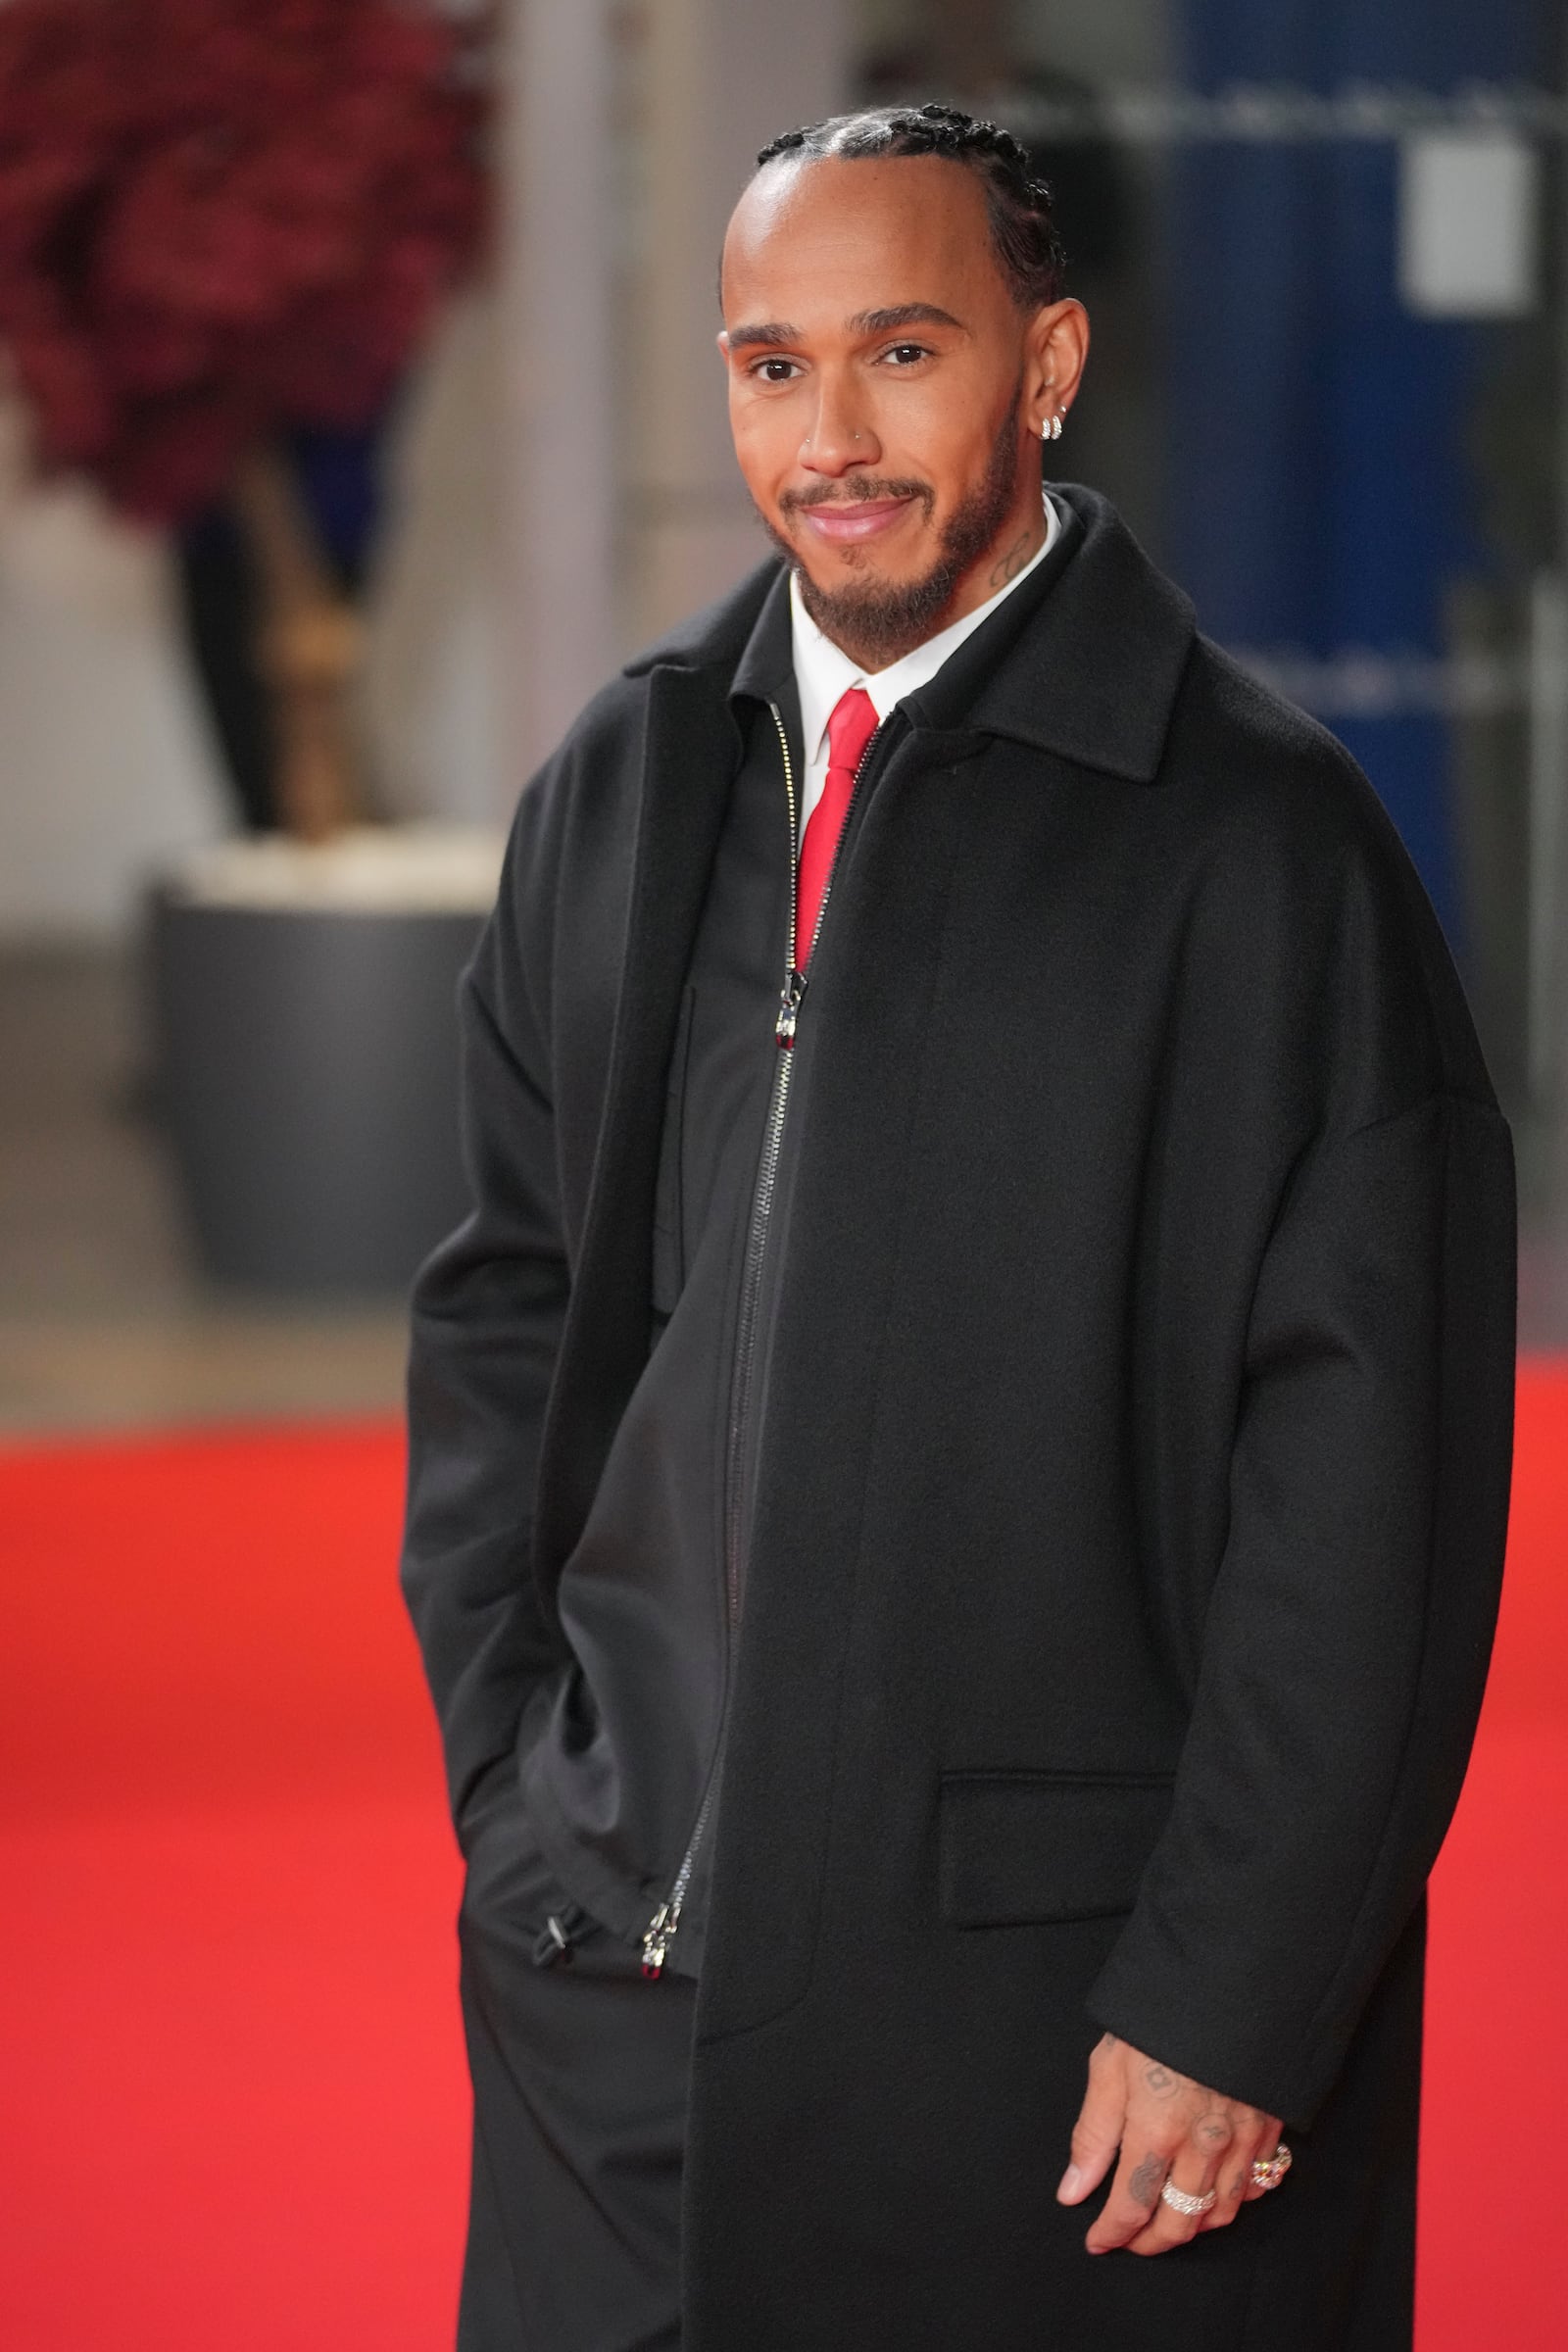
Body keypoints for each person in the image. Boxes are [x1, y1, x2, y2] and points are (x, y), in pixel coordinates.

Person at [401, 104, 1515, 2352]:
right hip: (605, 1993)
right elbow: (507, 1315)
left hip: (1056, 2040)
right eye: (767, 363)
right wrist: (518, 1787)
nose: (828, 435)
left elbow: (1366, 1498)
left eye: (900, 352)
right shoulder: (619, 793)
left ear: (1047, 363)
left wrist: (1231, 1995)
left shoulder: (1257, 849)